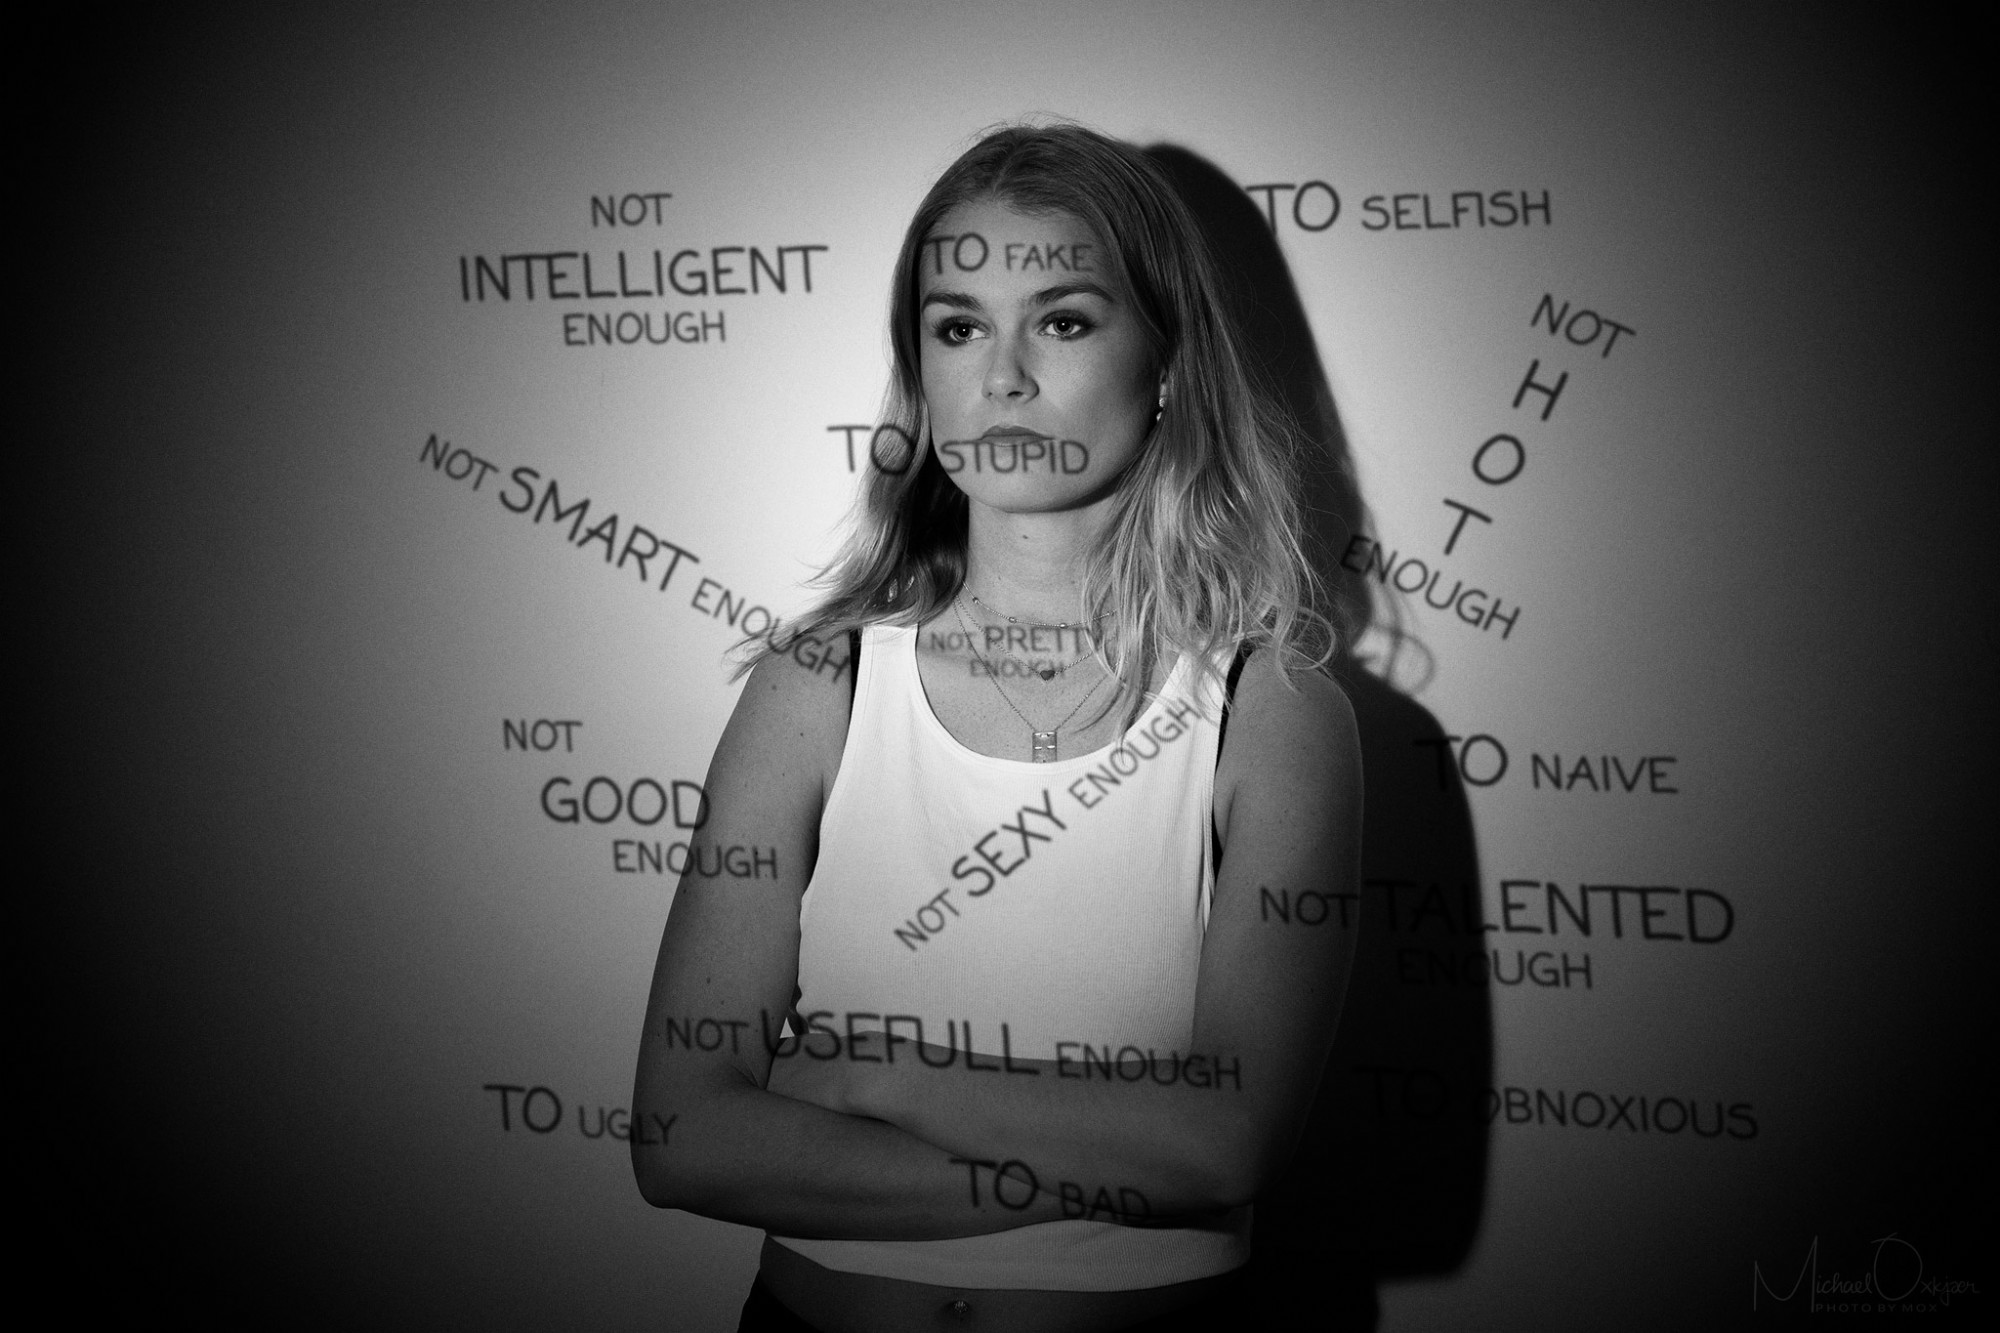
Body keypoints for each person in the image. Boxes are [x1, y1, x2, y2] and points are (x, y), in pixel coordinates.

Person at [632, 122, 1361, 1332]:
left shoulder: (1269, 714)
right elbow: (680, 1136)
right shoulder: (814, 686)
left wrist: (867, 1076)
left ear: (1167, 360)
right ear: (920, 374)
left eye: (1062, 321)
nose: (1004, 377)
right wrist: (1108, 1163)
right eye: (958, 327)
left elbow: (1222, 1147)